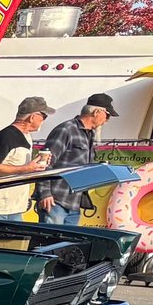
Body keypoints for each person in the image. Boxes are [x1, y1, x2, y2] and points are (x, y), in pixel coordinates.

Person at [40, 93, 116, 226]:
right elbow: (45, 163)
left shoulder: (90, 134)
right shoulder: (66, 129)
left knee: (69, 245)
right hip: (55, 201)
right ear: (97, 112)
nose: (107, 121)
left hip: (75, 202)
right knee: (49, 243)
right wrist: (45, 193)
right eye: (107, 115)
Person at [0, 97, 51, 222]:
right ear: (32, 117)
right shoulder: (6, 135)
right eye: (44, 116)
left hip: (14, 208)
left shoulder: (27, 136)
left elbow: (17, 166)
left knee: (18, 241)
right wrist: (27, 168)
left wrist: (35, 165)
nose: (44, 121)